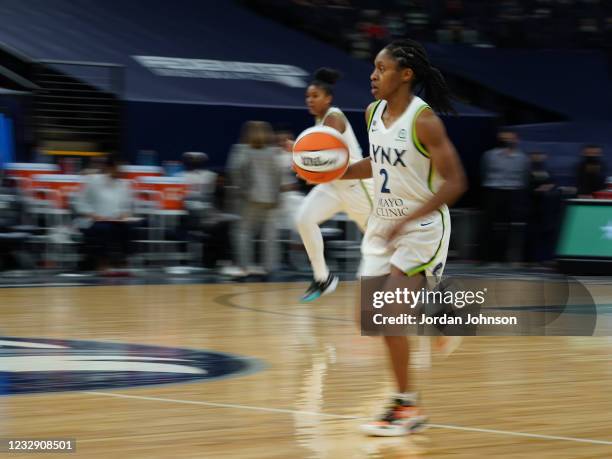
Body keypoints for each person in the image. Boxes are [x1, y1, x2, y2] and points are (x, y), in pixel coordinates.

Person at [340, 39, 467, 436]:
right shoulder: (373, 112)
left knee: (392, 314)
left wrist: (408, 218)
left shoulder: (424, 121)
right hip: (385, 224)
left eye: (382, 68)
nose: (373, 75)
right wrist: (333, 170)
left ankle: (406, 407)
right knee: (379, 319)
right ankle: (438, 310)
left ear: (406, 75)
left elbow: (456, 182)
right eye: (373, 68)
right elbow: (377, 163)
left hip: (422, 227)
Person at [295, 67, 374, 302]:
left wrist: (310, 166)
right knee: (304, 219)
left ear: (328, 98)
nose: (310, 100)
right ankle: (323, 278)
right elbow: (320, 158)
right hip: (334, 186)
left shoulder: (334, 117)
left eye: (315, 96)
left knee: (380, 243)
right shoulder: (320, 121)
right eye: (308, 96)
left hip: (356, 187)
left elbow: (326, 150)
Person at [76, 155, 135, 272]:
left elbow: (127, 206)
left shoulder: (124, 185)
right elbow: (79, 203)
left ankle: (122, 262)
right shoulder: (93, 181)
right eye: (118, 168)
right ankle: (102, 263)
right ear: (109, 168)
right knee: (103, 229)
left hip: (115, 221)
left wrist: (124, 214)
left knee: (130, 228)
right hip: (94, 220)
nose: (121, 171)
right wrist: (92, 214)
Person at [238, 121, 283, 275]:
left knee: (245, 232)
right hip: (270, 197)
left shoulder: (244, 151)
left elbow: (238, 171)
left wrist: (243, 190)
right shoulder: (273, 152)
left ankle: (245, 266)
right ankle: (269, 267)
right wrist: (276, 195)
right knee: (270, 234)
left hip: (252, 197)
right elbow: (278, 175)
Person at [480, 130, 529, 263]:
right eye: (504, 138)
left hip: (513, 192)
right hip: (493, 190)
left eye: (510, 138)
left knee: (508, 226)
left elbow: (525, 177)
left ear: (516, 140)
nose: (507, 141)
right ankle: (485, 257)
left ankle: (504, 257)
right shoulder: (489, 155)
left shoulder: (522, 158)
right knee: (488, 224)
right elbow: (483, 172)